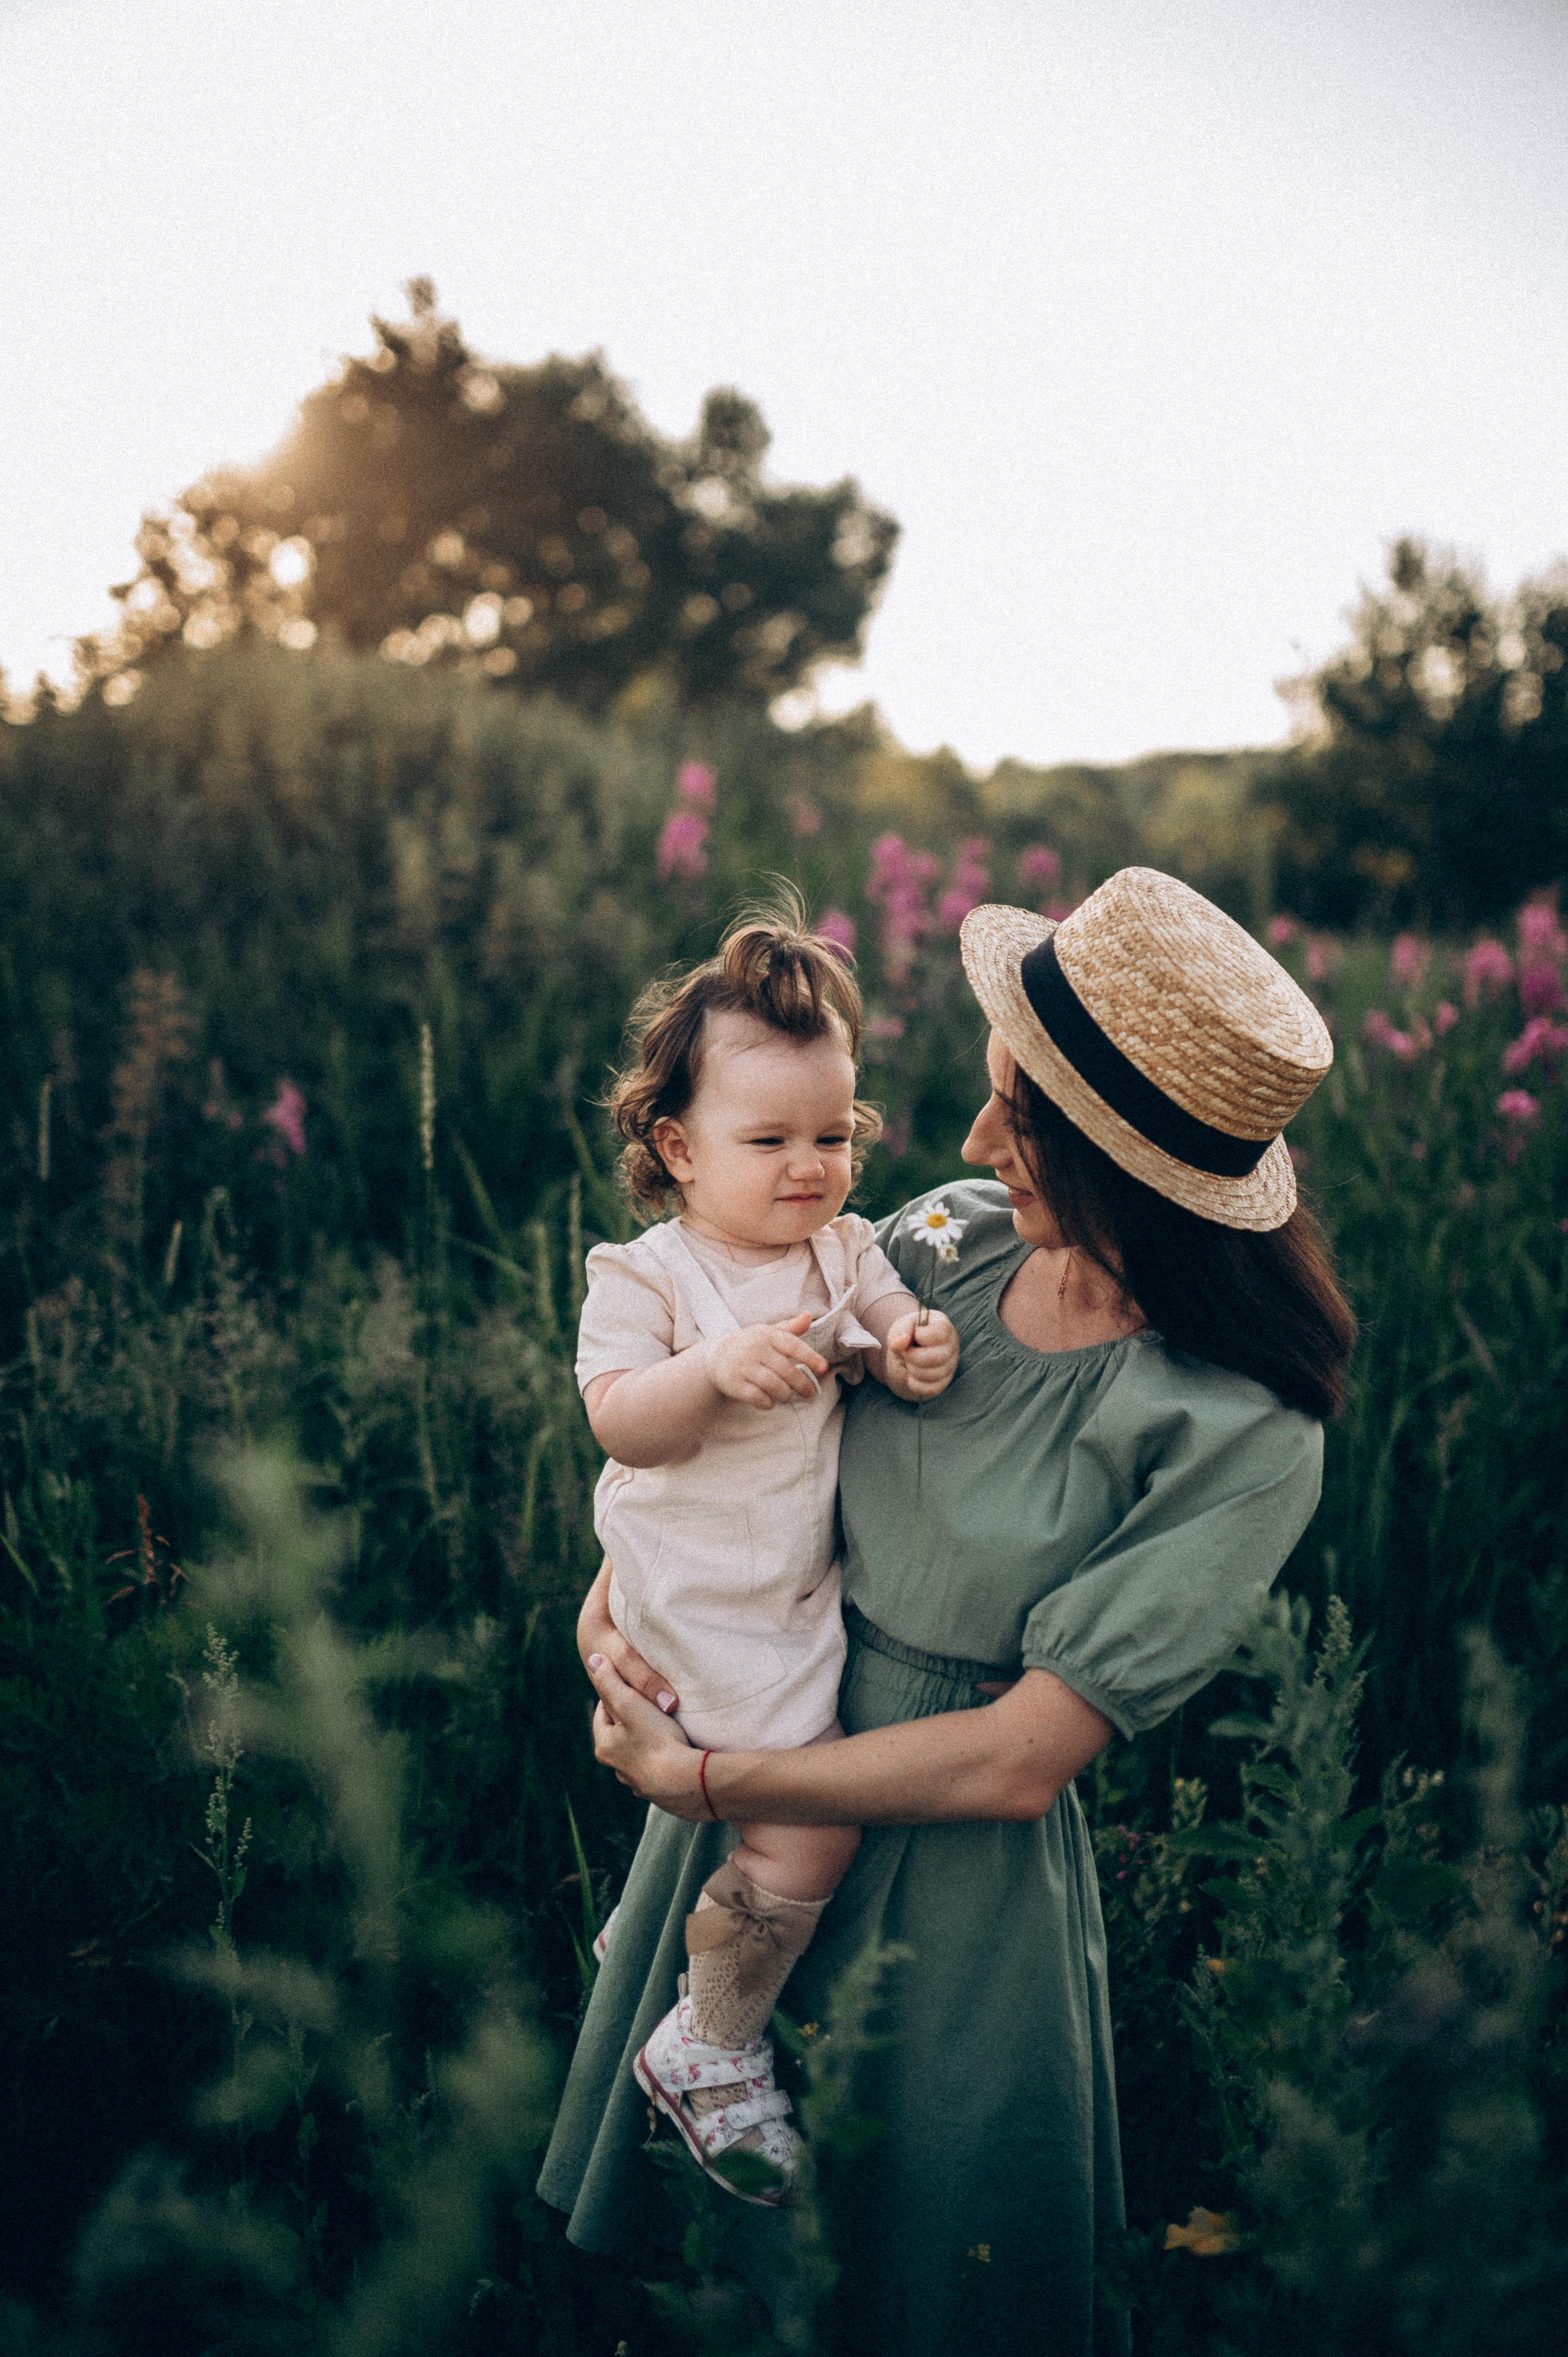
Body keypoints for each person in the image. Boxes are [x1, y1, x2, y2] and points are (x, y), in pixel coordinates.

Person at [540, 866, 1357, 2355]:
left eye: (1022, 1117)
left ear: (1135, 1165)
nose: (974, 1140)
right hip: (748, 1763)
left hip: (944, 1875)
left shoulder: (1238, 1432)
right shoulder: (941, 1243)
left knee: (914, 2287)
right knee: (694, 2301)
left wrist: (714, 1778)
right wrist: (608, 1619)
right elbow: (733, 1456)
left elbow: (1017, 1758)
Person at [574, 899, 960, 2201]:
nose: (810, 1165)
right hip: (694, 1593)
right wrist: (711, 1369)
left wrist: (911, 1347)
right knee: (806, 1832)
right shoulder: (647, 1278)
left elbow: (892, 1319)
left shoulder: (841, 1250)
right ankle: (709, 2043)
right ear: (677, 1149)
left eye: (832, 1134)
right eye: (768, 1139)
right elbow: (619, 1416)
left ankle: (656, 1944)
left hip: (788, 1595)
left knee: (742, 1805)